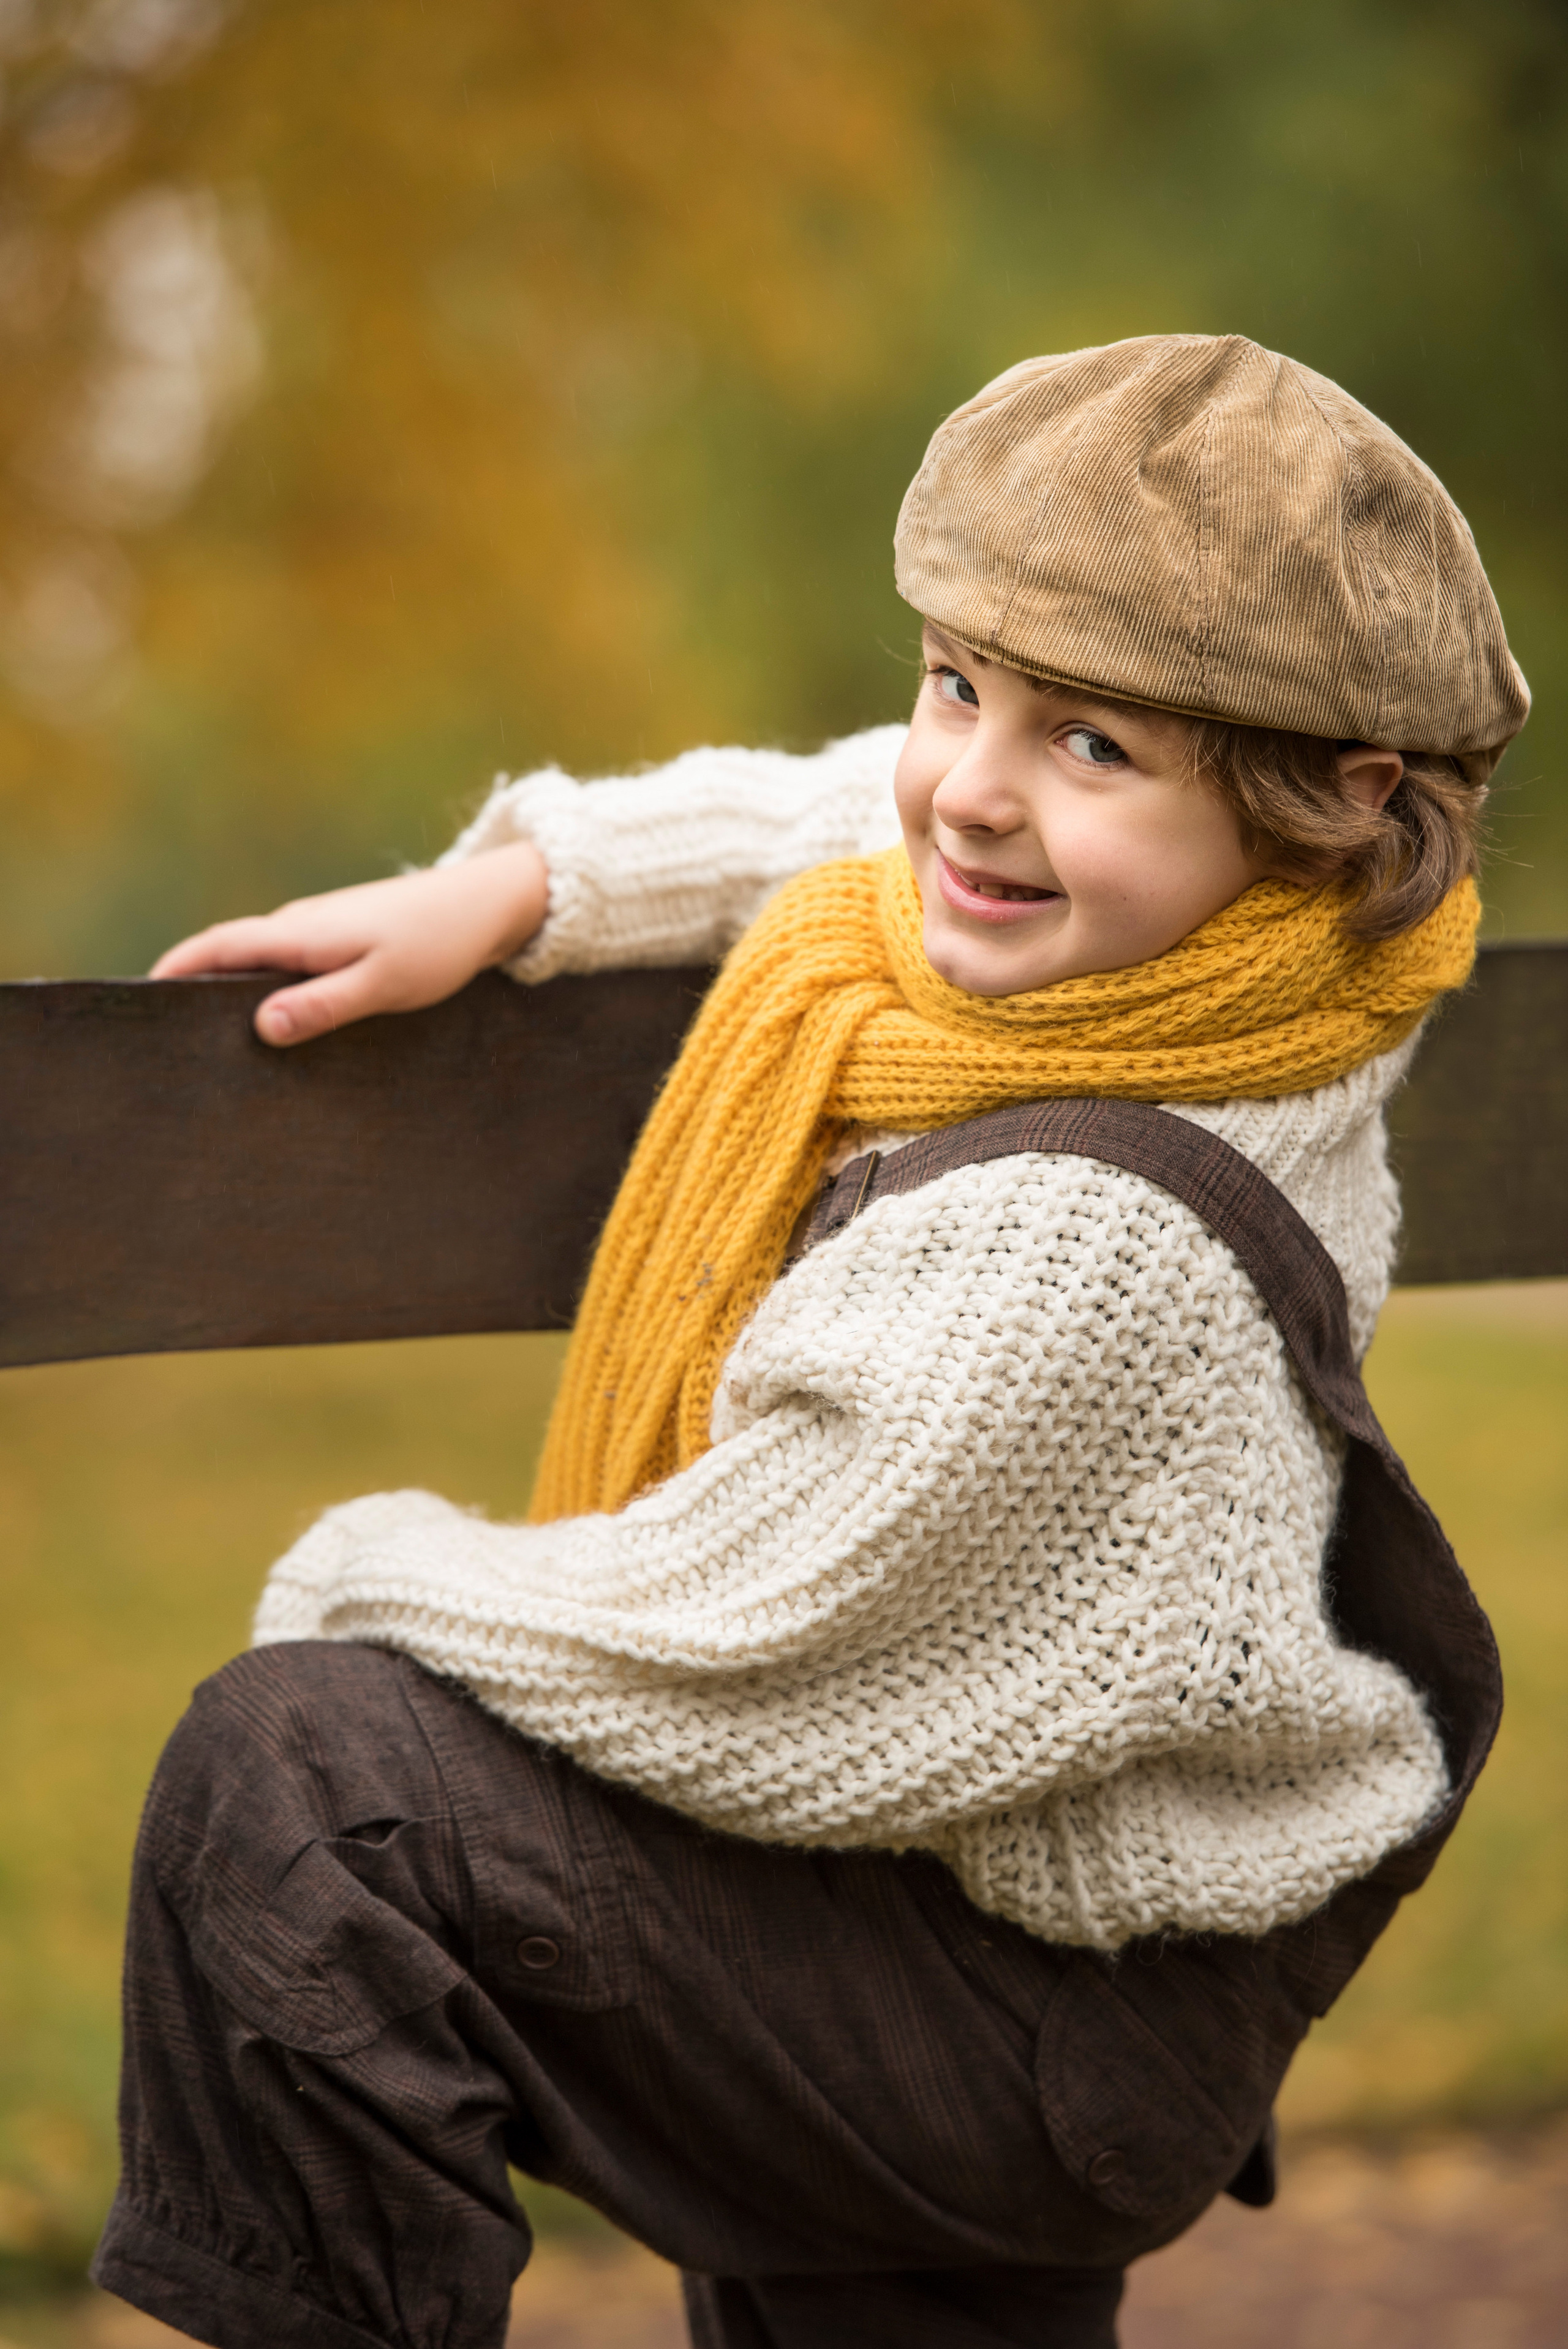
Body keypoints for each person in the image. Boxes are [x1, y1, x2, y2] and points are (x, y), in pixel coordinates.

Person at [95, 334, 1522, 2349]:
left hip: (1018, 2018)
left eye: (1091, 742)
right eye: (957, 680)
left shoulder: (1083, 1257)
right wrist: (518, 882)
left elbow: (724, 1626)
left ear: (1334, 806)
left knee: (309, 1785)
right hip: (1026, 1930)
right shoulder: (1255, 973)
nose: (971, 786)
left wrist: (334, 1587)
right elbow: (853, 810)